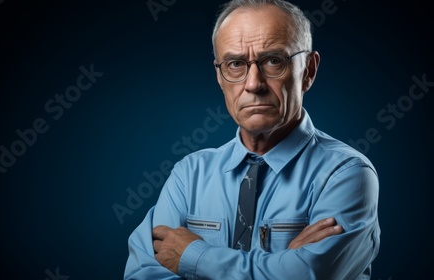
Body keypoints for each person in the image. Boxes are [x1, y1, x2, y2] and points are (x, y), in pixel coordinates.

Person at [124, 0, 380, 279]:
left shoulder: (346, 174)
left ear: (308, 70)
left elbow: (308, 274)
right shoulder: (189, 175)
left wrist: (193, 257)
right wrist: (283, 264)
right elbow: (143, 275)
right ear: (219, 76)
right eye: (235, 64)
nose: (253, 84)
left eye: (273, 61)